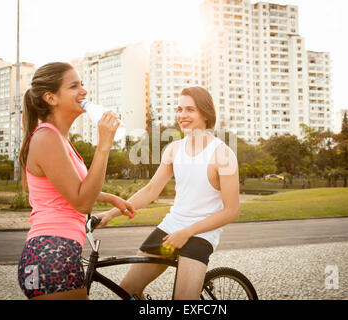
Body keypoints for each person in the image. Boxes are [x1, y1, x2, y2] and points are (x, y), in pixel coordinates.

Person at [96, 86, 240, 300]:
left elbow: (231, 211)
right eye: (179, 109)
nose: (182, 115)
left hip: (201, 233)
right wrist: (110, 213)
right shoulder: (173, 149)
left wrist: (188, 232)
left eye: (190, 110)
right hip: (171, 226)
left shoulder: (223, 154)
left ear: (206, 113)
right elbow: (151, 190)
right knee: (127, 291)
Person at [17, 62, 134, 300]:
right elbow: (81, 202)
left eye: (82, 84)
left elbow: (70, 189)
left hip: (57, 252)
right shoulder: (47, 138)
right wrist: (104, 145)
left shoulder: (59, 139)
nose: (84, 91)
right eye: (74, 86)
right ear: (51, 97)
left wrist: (110, 198)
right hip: (51, 253)